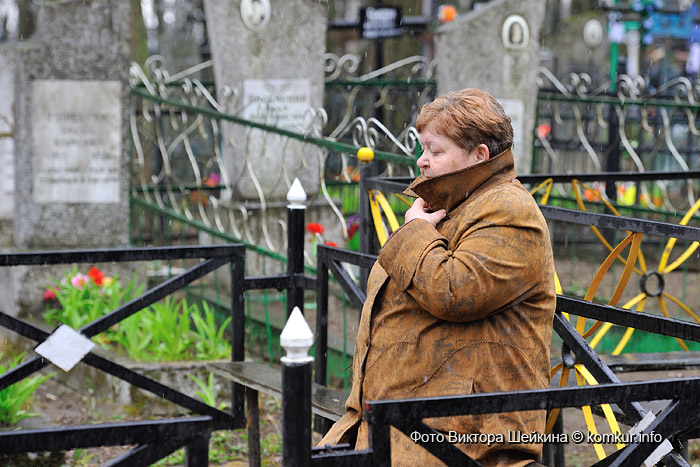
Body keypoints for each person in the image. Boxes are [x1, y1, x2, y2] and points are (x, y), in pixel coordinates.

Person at [319, 88, 556, 466]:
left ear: (479, 155)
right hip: (408, 422)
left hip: (463, 436)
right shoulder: (449, 206)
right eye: (422, 149)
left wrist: (413, 231)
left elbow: (454, 292)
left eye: (435, 151)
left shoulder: (510, 211)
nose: (422, 161)